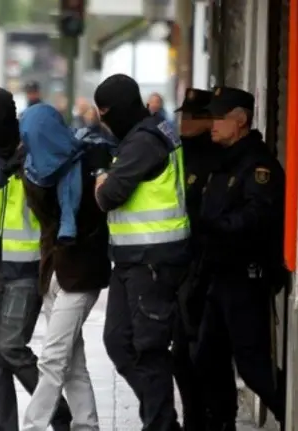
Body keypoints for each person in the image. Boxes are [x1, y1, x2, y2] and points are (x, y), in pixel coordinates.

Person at [0, 87, 72, 431]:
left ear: (1, 118)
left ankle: (58, 412)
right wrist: (4, 172)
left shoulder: (35, 148)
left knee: (11, 348)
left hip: (26, 268)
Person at [94, 74, 191, 431]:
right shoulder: (147, 133)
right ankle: (163, 418)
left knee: (148, 348)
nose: (104, 121)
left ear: (120, 108)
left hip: (153, 259)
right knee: (119, 342)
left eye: (106, 113)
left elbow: (108, 197)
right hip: (130, 259)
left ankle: (161, 424)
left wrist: (103, 180)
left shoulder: (144, 142)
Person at [194, 86, 286, 430]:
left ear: (241, 120)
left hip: (246, 277)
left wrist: (211, 226)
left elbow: (256, 217)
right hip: (219, 274)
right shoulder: (224, 162)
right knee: (207, 358)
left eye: (219, 117)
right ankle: (222, 422)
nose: (211, 124)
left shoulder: (258, 166)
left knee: (254, 367)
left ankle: (289, 412)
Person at [18, 104, 115, 431]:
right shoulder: (31, 168)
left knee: (53, 357)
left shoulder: (88, 162)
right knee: (72, 362)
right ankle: (86, 425)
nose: (30, 141)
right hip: (52, 271)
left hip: (82, 272)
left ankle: (33, 425)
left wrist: (101, 167)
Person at [172, 88, 219, 431]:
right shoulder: (176, 154)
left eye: (193, 117)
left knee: (204, 353)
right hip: (181, 266)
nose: (184, 122)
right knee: (181, 354)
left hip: (208, 266)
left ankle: (213, 419)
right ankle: (193, 418)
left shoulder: (216, 160)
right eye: (183, 116)